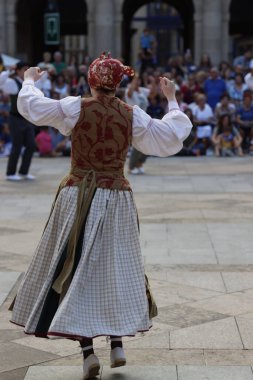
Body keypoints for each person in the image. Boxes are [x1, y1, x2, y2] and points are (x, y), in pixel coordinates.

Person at [10, 53, 192, 380]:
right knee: (116, 266)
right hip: (117, 196)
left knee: (76, 266)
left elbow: (33, 108)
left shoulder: (75, 107)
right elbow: (169, 137)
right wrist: (171, 98)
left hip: (79, 194)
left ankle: (87, 352)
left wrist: (29, 80)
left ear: (91, 81)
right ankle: (118, 343)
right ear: (117, 84)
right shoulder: (131, 114)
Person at [0, 61, 36, 181]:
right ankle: (10, 173)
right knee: (17, 145)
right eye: (24, 69)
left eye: (28, 69)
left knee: (31, 145)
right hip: (15, 118)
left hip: (27, 118)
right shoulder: (12, 82)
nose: (27, 72)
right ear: (18, 71)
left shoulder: (29, 84)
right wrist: (9, 71)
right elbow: (1, 82)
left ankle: (23, 172)